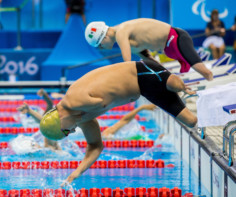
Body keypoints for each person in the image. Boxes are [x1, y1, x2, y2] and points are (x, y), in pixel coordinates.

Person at [39, 60, 197, 185]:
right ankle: (181, 88)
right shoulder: (82, 119)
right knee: (191, 121)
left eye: (66, 131)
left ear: (60, 120)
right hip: (145, 90)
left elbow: (100, 102)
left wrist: (83, 118)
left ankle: (180, 84)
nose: (72, 133)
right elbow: (95, 146)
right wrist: (76, 173)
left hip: (144, 73)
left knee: (176, 87)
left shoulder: (73, 99)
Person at [84, 18, 213, 81]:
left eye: (100, 45)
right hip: (169, 47)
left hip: (176, 38)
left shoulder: (121, 31)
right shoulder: (128, 41)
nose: (101, 48)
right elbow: (149, 60)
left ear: (105, 36)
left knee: (204, 72)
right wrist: (166, 76)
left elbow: (127, 64)